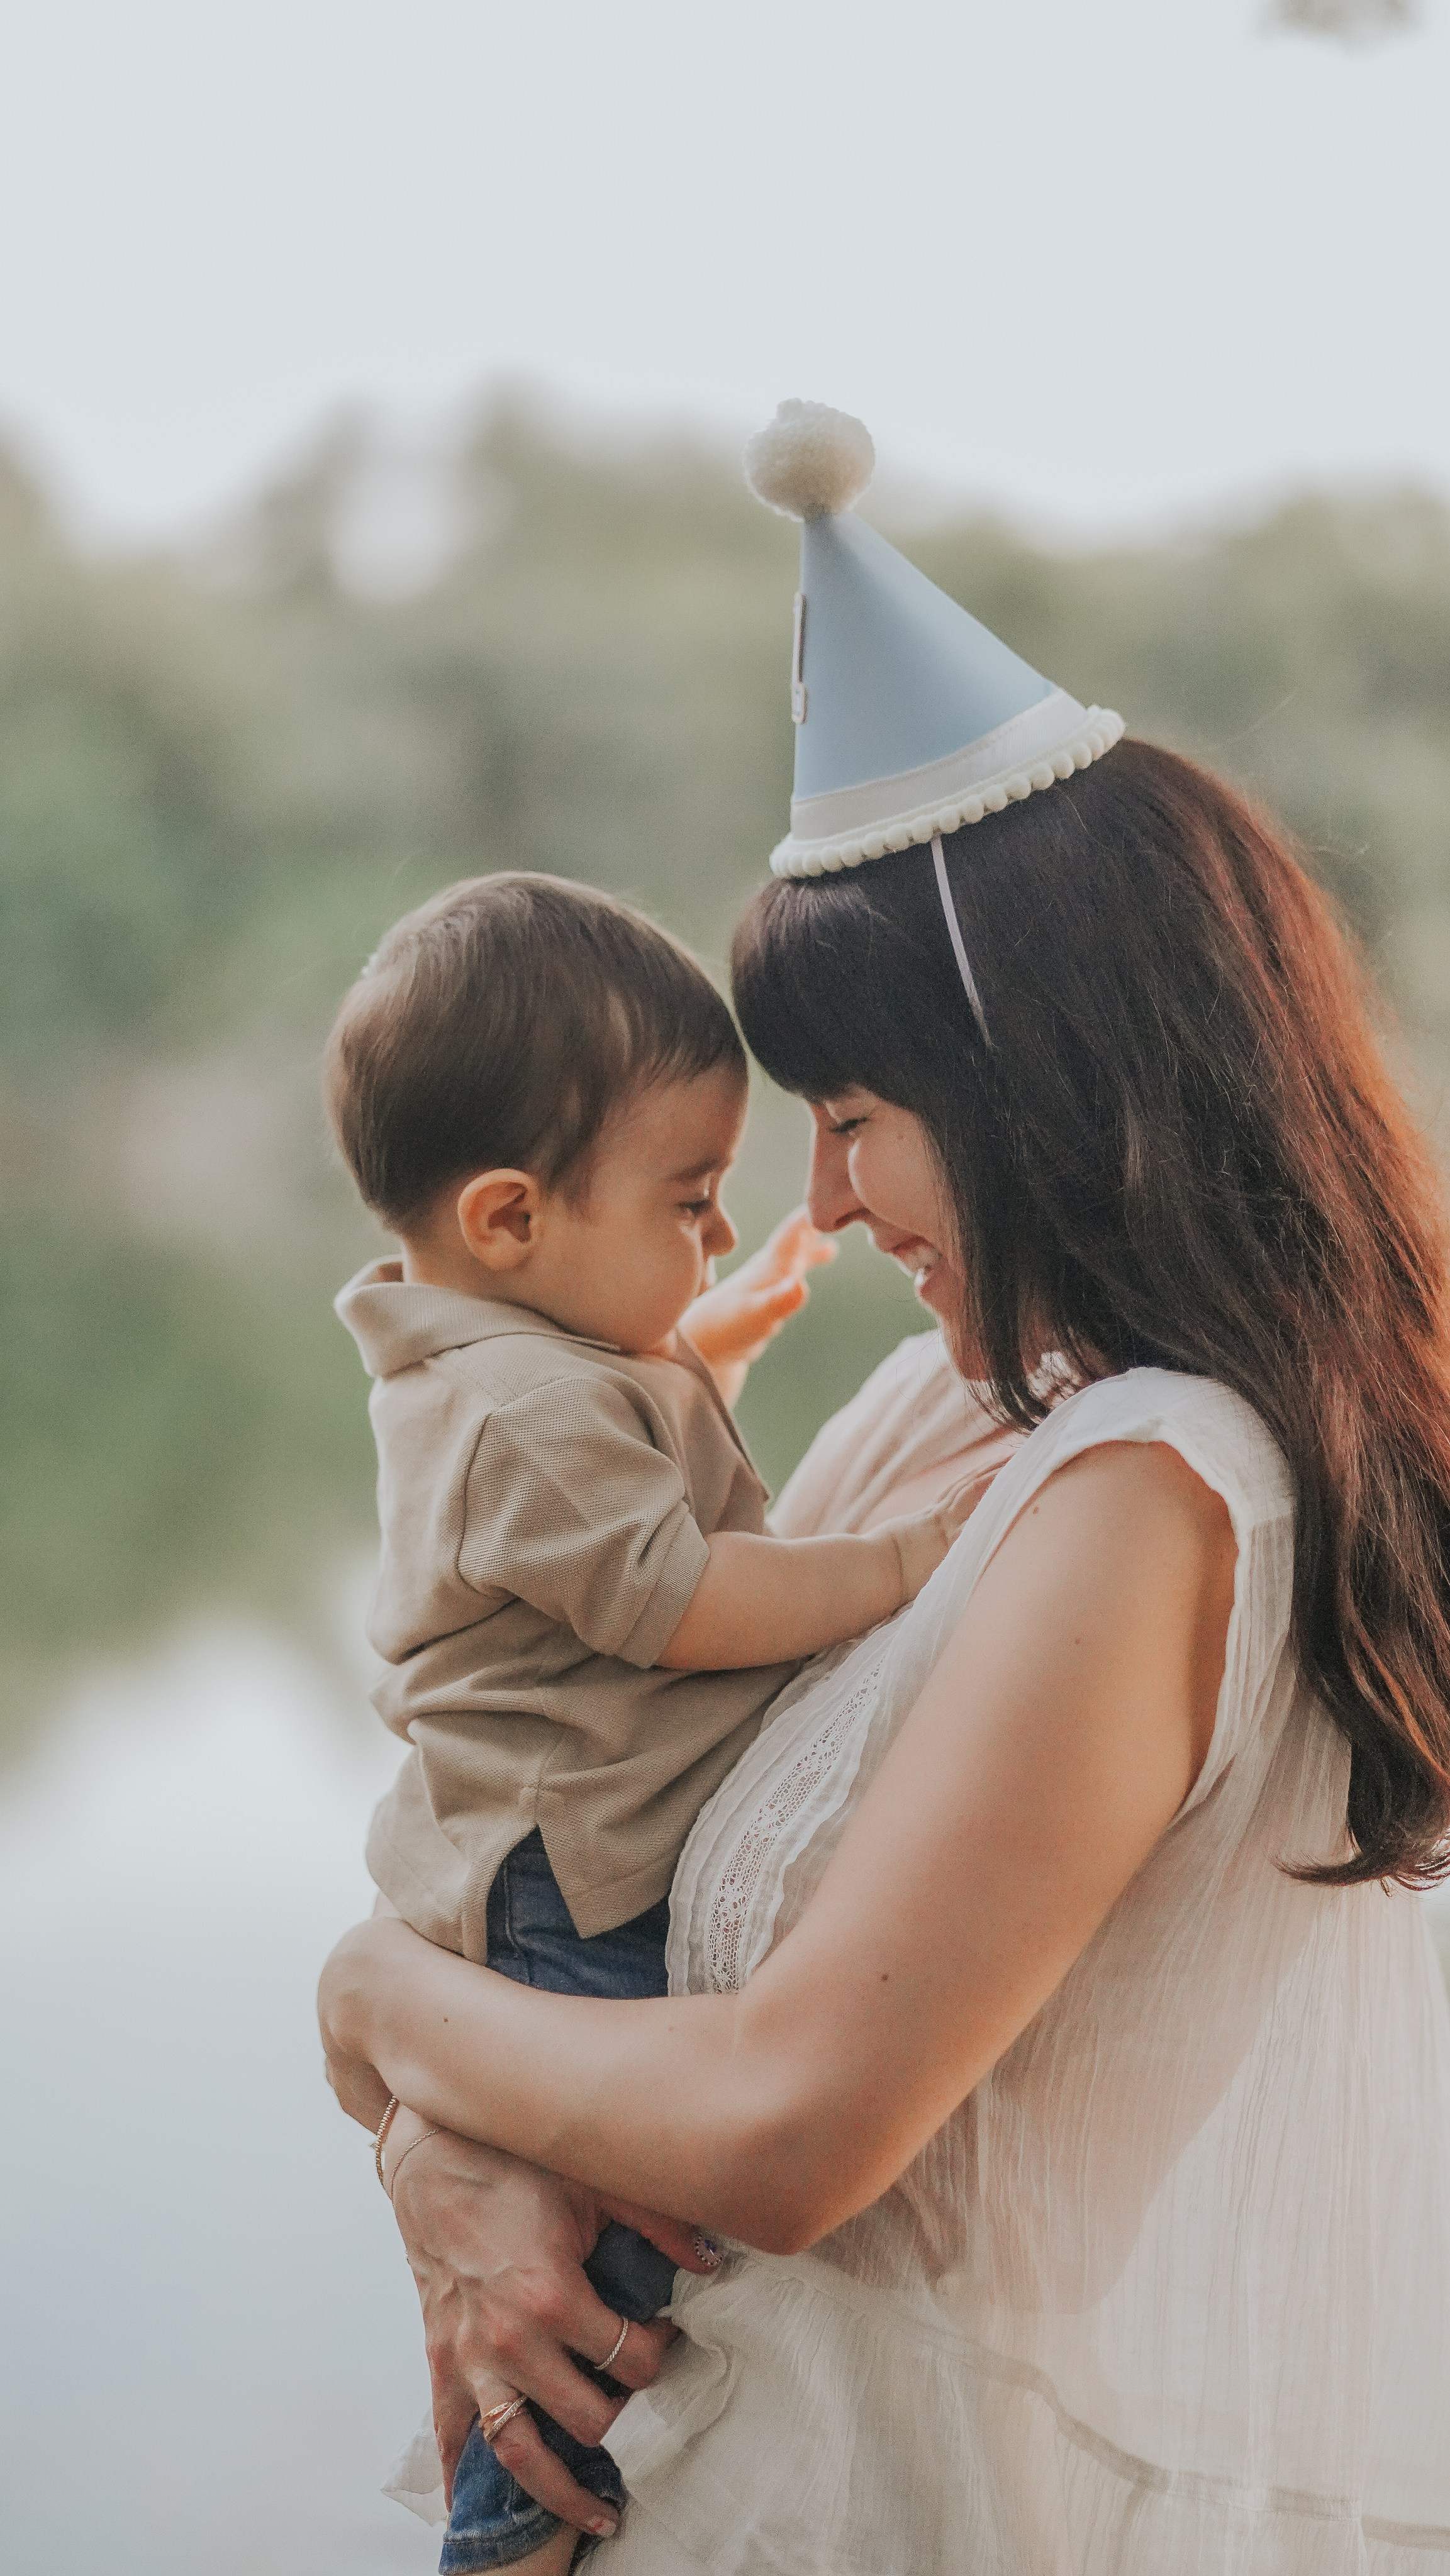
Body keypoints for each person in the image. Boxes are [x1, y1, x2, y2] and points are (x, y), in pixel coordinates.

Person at [318, 408, 1450, 2572]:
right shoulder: (971, 1408)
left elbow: (785, 2125)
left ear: (1048, 1099)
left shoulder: (1155, 1496)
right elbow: (594, 1776)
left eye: (855, 1112)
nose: (819, 1192)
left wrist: (371, 2008)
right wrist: (435, 2149)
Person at [324, 869, 981, 2570]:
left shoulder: (522, 1362)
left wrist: (712, 1351)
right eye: (689, 1203)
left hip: (558, 1849)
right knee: (597, 2250)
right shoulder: (523, 1409)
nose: (713, 1239)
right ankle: (512, 2532)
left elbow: (622, 1498)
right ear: (508, 1222)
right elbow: (676, 1598)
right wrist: (900, 1561)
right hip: (574, 1885)